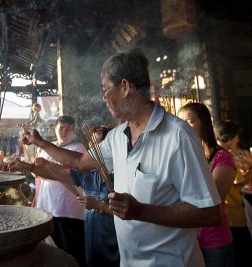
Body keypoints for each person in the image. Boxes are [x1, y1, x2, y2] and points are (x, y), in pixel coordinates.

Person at [18, 50, 222, 266]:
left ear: (125, 87)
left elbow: (209, 214)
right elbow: (80, 162)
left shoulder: (178, 136)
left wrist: (141, 211)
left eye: (105, 90)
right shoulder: (117, 136)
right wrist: (41, 142)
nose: (104, 98)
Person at [10, 126, 120, 267]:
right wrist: (25, 165)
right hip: (93, 238)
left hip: (115, 240)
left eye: (98, 147)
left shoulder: (120, 176)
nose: (92, 151)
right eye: (91, 146)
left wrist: (100, 206)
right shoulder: (88, 173)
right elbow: (55, 174)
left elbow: (130, 213)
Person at [178, 103, 236, 267]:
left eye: (190, 121)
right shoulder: (183, 157)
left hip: (214, 242)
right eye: (180, 122)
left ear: (204, 123)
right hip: (189, 241)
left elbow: (213, 199)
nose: (184, 127)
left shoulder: (222, 157)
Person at [31, 115, 86, 267]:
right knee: (51, 250)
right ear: (55, 129)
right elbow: (37, 176)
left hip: (69, 210)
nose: (64, 132)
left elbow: (74, 173)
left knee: (71, 249)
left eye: (68, 129)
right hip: (47, 207)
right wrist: (31, 167)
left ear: (74, 131)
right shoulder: (47, 147)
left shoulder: (78, 148)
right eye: (61, 128)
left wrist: (48, 164)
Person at [215, 120, 252, 267]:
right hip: (230, 212)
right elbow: (237, 183)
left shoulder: (242, 154)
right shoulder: (223, 156)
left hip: (239, 209)